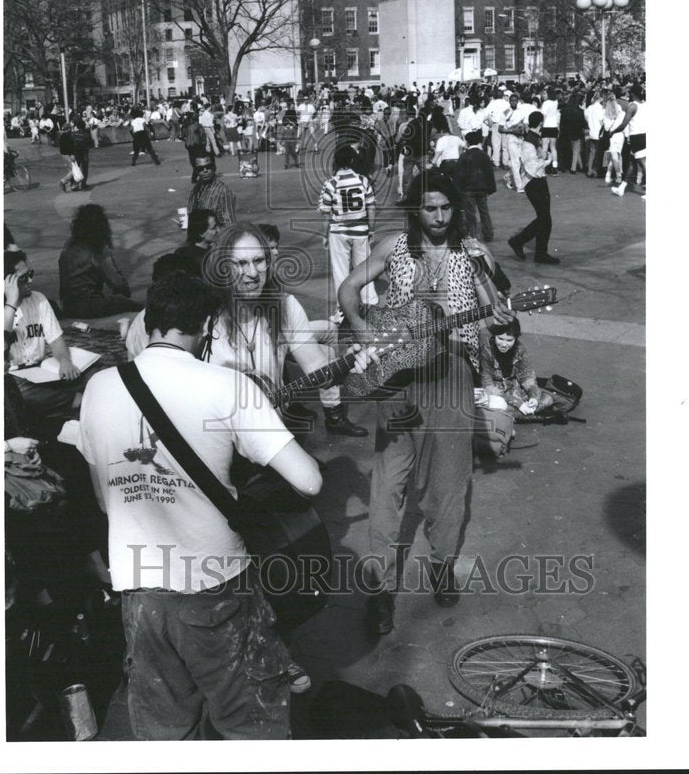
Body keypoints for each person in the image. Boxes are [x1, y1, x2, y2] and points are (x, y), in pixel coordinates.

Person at [79, 272, 322, 739]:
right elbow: (308, 481)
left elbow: (105, 501)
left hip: (140, 592)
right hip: (217, 587)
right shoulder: (225, 385)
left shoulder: (99, 388)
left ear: (150, 320)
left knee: (167, 731)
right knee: (250, 723)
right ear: (207, 325)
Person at [338, 172, 513, 634]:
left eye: (445, 208)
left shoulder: (473, 254)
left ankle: (441, 563)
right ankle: (379, 586)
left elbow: (495, 318)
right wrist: (360, 326)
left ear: (456, 208)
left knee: (448, 484)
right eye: (429, 208)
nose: (438, 217)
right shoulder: (393, 247)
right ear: (415, 209)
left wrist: (500, 326)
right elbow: (347, 289)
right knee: (387, 485)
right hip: (397, 376)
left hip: (452, 373)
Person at [201, 223, 369, 438]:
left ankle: (333, 416)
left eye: (258, 261)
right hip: (214, 436)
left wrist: (345, 365)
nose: (252, 273)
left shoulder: (286, 307)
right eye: (241, 263)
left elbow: (317, 370)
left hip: (270, 433)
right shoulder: (205, 314)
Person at [4, 250, 83, 435]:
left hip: (41, 372)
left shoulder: (39, 299)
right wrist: (12, 302)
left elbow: (56, 339)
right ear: (8, 283)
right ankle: (75, 401)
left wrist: (64, 361)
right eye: (23, 278)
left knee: (94, 371)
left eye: (30, 274)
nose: (30, 281)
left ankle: (61, 404)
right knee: (18, 394)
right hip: (14, 378)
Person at [319, 146, 378, 307]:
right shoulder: (363, 181)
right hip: (360, 230)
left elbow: (325, 213)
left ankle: (343, 309)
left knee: (341, 273)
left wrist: (324, 235)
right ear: (352, 160)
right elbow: (371, 207)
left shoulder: (331, 184)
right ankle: (370, 304)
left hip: (338, 232)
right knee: (365, 270)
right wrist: (371, 228)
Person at [58, 204, 142, 318]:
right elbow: (116, 281)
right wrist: (124, 293)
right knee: (130, 305)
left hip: (68, 306)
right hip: (88, 305)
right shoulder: (96, 249)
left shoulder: (69, 246)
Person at [507, 111, 560, 265]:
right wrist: (548, 160)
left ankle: (536, 250)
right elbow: (532, 166)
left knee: (545, 219)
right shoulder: (529, 141)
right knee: (544, 219)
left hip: (537, 181)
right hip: (534, 182)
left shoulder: (532, 139)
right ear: (541, 123)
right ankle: (522, 243)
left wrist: (543, 157)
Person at [479, 318, 554, 417]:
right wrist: (518, 403)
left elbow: (527, 377)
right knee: (499, 406)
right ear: (494, 336)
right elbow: (487, 385)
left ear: (516, 338)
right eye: (500, 339)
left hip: (512, 387)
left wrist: (533, 397)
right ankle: (529, 414)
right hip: (494, 391)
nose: (504, 344)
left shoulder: (520, 349)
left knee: (548, 399)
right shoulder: (486, 350)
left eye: (509, 340)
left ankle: (516, 415)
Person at [451, 130, 496, 242]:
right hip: (482, 188)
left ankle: (473, 236)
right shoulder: (484, 155)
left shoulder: (464, 156)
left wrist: (457, 189)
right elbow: (489, 173)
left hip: (468, 190)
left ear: (467, 142)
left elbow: (458, 174)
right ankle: (488, 234)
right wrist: (491, 188)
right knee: (484, 212)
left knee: (470, 214)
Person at [609, 85, 646, 199]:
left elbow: (624, 124)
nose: (629, 94)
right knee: (631, 163)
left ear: (633, 94)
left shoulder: (632, 106)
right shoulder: (644, 105)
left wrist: (613, 132)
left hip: (636, 137)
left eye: (630, 93)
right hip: (643, 135)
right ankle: (621, 188)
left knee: (642, 163)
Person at [187, 156, 237, 232]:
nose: (205, 170)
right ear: (196, 171)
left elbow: (229, 227)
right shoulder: (195, 190)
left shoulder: (223, 191)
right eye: (200, 168)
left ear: (214, 167)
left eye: (208, 167)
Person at [583, 88, 606, 178]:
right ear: (600, 99)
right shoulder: (600, 109)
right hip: (599, 133)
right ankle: (596, 170)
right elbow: (602, 121)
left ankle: (589, 170)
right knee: (598, 153)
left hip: (591, 132)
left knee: (592, 152)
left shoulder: (589, 107)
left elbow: (586, 117)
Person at [540, 87, 561, 173]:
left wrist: (541, 127)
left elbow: (544, 116)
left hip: (546, 126)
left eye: (545, 93)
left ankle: (543, 167)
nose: (544, 95)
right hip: (554, 126)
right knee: (553, 147)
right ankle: (555, 167)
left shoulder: (545, 103)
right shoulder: (555, 102)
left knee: (544, 147)